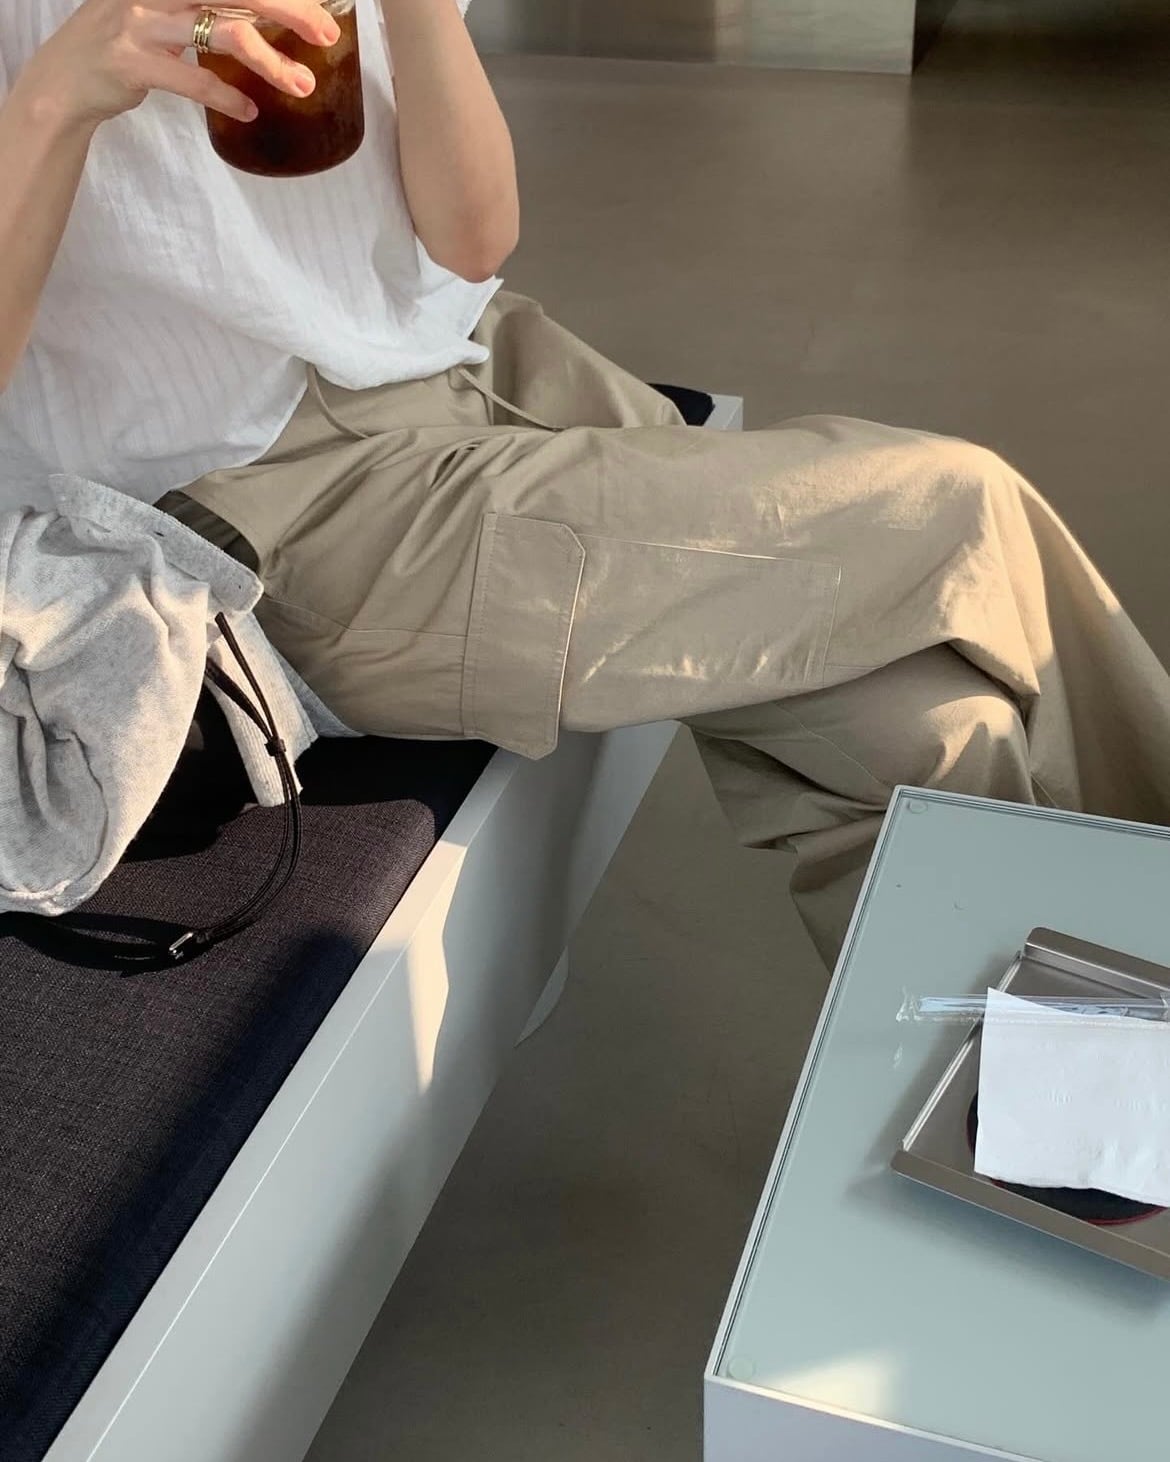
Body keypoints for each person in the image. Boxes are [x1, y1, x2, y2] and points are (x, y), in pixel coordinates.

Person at [3, 0, 1170, 968]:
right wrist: (56, 96)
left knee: (934, 735)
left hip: (468, 364)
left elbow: (472, 240)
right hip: (251, 507)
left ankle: (1042, 1129)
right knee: (956, 505)